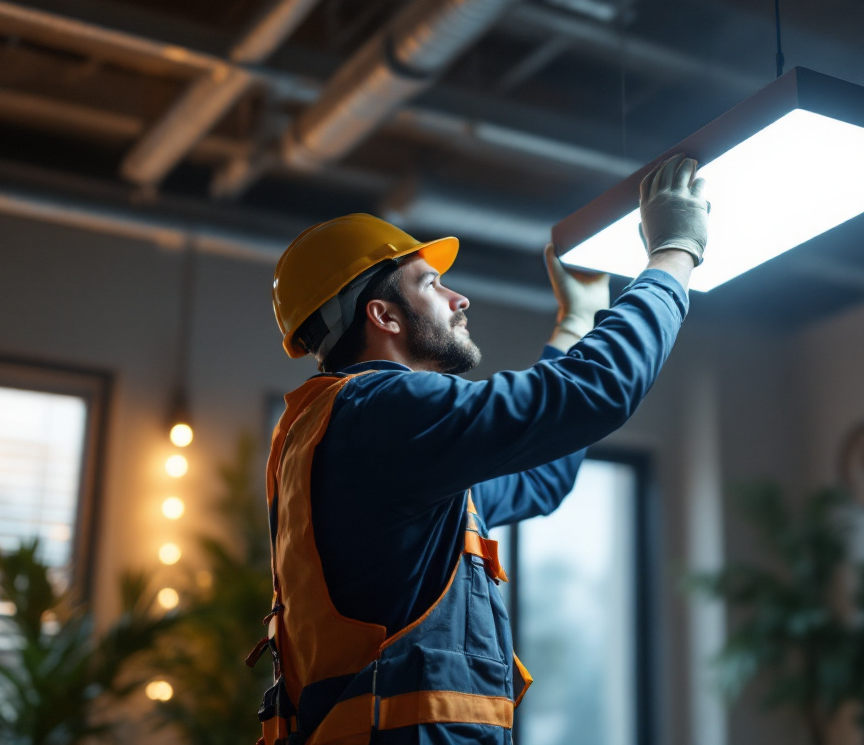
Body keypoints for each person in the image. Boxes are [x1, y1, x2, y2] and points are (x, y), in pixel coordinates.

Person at [253, 154, 708, 745]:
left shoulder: (342, 433)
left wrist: (578, 322)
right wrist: (673, 255)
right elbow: (596, 393)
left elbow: (538, 480)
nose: (458, 298)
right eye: (431, 283)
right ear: (382, 314)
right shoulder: (383, 413)